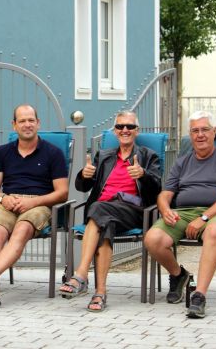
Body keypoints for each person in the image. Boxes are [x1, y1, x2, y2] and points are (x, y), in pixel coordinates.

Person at [59, 111, 162, 312]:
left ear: (137, 130)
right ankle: (100, 294)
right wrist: (84, 175)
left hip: (133, 211)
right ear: (115, 131)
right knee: (105, 225)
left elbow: (157, 188)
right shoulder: (104, 156)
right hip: (105, 214)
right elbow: (82, 187)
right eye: (120, 126)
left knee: (98, 209)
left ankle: (81, 274)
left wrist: (143, 175)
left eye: (130, 126)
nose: (125, 130)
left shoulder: (148, 156)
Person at [144, 111, 216, 319]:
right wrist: (165, 209)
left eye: (205, 129)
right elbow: (164, 194)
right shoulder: (182, 162)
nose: (200, 135)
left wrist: (204, 218)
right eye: (195, 131)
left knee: (213, 232)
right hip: (183, 214)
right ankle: (179, 275)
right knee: (152, 239)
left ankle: (199, 296)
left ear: (214, 132)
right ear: (190, 135)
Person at [0, 104, 68, 308]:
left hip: (39, 203)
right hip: (9, 201)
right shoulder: (3, 152)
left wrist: (33, 201)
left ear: (38, 123)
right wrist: (2, 199)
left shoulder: (53, 153)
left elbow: (62, 193)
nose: (27, 124)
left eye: (31, 120)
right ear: (14, 125)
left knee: (21, 230)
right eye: (22, 121)